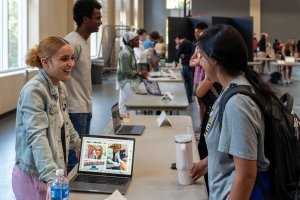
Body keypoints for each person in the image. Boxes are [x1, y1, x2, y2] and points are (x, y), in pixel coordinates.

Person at [191, 24, 274, 200]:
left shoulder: (237, 104)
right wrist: (207, 163)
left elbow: (246, 176)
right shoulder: (230, 89)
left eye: (202, 57)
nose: (200, 63)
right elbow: (234, 150)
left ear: (214, 59)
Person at [12, 36, 81, 200]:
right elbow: (37, 137)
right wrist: (52, 178)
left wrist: (80, 146)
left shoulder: (60, 86)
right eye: (64, 59)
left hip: (55, 170)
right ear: (45, 63)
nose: (71, 63)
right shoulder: (34, 91)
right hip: (36, 176)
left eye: (72, 58)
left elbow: (65, 121)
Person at [64, 0, 102, 173]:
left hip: (85, 107)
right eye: (97, 18)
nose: (100, 22)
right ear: (86, 19)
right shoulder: (71, 43)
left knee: (82, 155)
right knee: (75, 157)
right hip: (74, 110)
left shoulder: (83, 42)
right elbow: (57, 75)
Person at [116, 31, 148, 116]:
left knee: (123, 102)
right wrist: (140, 73)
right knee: (132, 102)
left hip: (127, 80)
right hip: (125, 81)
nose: (138, 42)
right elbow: (126, 71)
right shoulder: (126, 53)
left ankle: (123, 117)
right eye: (136, 40)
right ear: (130, 42)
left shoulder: (130, 51)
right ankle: (133, 120)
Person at [175, 33, 194, 103]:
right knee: (189, 82)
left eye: (176, 39)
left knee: (187, 82)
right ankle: (189, 98)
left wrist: (178, 49)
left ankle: (188, 99)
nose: (175, 41)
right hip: (190, 64)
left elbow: (177, 55)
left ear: (178, 38)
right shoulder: (190, 42)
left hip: (186, 64)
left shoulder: (182, 44)